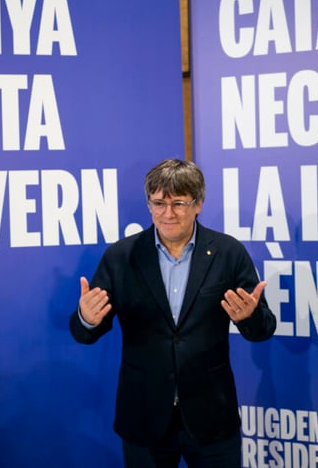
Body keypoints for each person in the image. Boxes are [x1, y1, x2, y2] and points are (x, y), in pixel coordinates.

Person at [69, 158, 276, 467]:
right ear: (149, 204)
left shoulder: (227, 252)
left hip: (211, 418)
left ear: (198, 204)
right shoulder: (121, 256)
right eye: (158, 203)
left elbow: (263, 329)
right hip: (143, 416)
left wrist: (249, 317)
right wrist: (87, 318)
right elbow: (84, 332)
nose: (168, 214)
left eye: (179, 203)